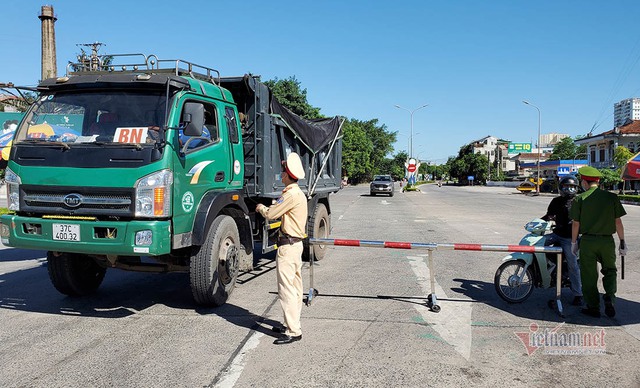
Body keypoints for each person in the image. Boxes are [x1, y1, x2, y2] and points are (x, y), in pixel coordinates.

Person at [256, 152, 308, 344]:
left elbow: (271, 214)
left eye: (282, 172)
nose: (280, 175)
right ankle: (291, 324)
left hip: (288, 247)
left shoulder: (290, 195)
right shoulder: (298, 194)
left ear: (287, 174)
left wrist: (261, 207)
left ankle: (293, 331)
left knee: (286, 289)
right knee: (295, 288)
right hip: (296, 245)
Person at [570, 166, 627, 318]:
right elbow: (618, 222)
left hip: (588, 241)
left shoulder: (579, 198)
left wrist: (573, 243)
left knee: (588, 275)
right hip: (607, 241)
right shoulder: (611, 198)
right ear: (598, 180)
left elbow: (576, 224)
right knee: (610, 270)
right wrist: (622, 241)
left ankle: (593, 307)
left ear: (584, 182)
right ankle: (610, 296)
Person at [541, 176, 583, 306]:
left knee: (573, 265)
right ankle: (550, 269)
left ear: (576, 188)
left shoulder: (578, 202)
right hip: (556, 234)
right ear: (561, 188)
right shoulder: (556, 201)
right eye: (566, 187)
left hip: (570, 239)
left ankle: (578, 294)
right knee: (537, 244)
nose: (569, 190)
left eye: (572, 187)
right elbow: (549, 216)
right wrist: (537, 223)